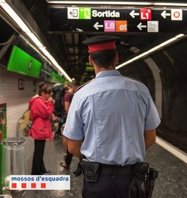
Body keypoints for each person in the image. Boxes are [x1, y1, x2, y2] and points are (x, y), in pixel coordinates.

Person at [63, 35, 161, 198]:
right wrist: (129, 153)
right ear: (116, 57)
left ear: (90, 60)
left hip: (97, 181)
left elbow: (72, 146)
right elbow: (150, 137)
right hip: (133, 180)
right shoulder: (140, 90)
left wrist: (92, 158)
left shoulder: (82, 94)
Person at [29, 83, 54, 175]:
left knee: (39, 151)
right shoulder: (38, 101)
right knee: (38, 152)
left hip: (40, 128)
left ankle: (41, 170)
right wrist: (50, 103)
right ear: (42, 93)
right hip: (40, 129)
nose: (49, 96)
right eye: (48, 93)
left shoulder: (40, 100)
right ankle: (36, 172)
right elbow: (47, 113)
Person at [60, 81, 79, 170]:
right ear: (74, 86)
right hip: (70, 119)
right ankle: (68, 162)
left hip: (70, 119)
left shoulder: (70, 95)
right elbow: (67, 108)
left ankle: (68, 161)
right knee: (70, 139)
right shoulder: (69, 95)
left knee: (70, 139)